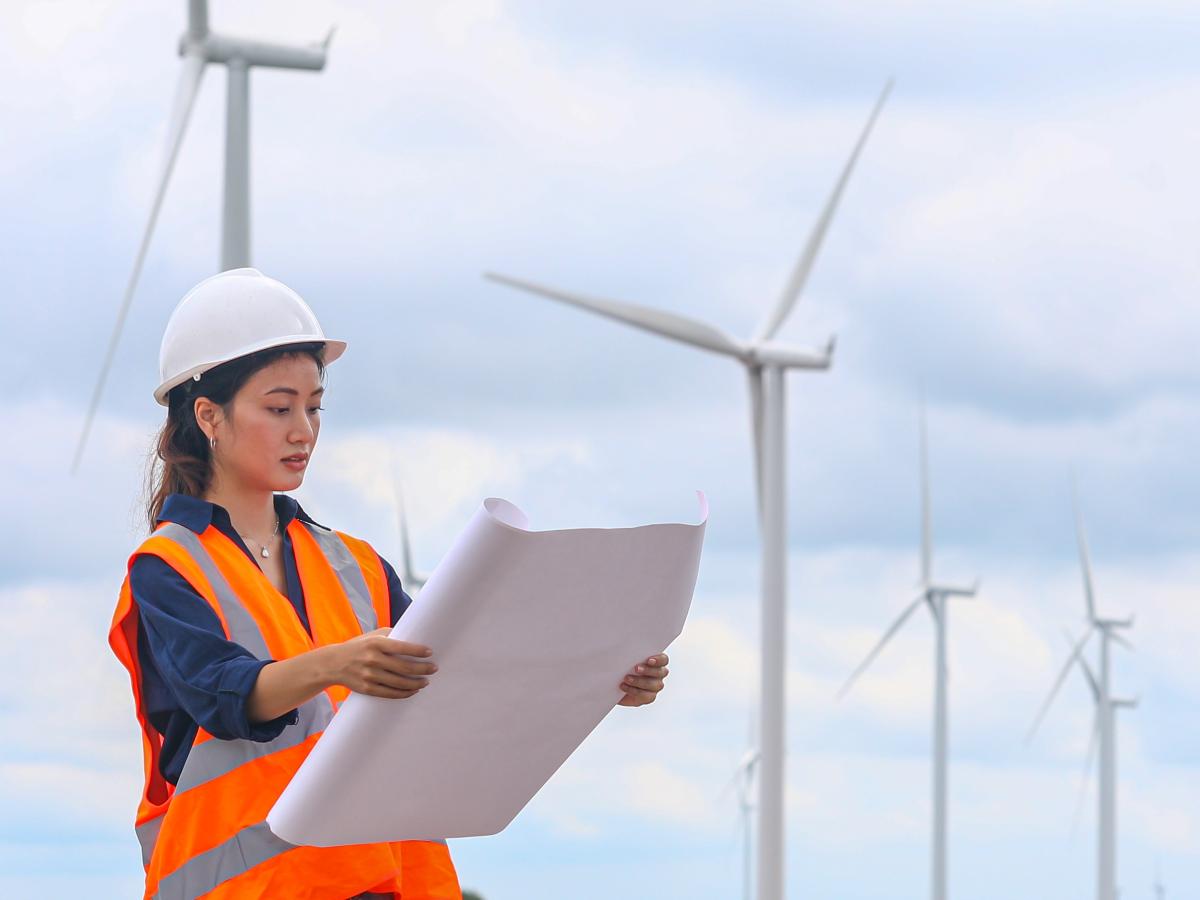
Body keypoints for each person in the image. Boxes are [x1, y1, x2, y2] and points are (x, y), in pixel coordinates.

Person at [109, 268, 672, 900]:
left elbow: (460, 678)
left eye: (315, 406)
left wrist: (600, 680)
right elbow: (220, 693)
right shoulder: (167, 566)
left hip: (386, 881)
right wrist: (340, 664)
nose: (304, 430)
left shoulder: (357, 563)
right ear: (209, 416)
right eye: (278, 407)